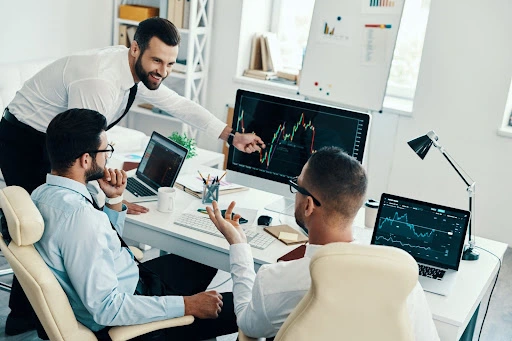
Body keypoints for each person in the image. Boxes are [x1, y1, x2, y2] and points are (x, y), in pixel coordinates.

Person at [0, 17, 264, 335]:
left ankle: (39, 315)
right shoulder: (99, 84)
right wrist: (188, 305)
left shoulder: (132, 70)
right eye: (157, 60)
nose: (163, 71)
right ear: (135, 48)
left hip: (57, 149)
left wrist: (230, 135)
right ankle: (29, 318)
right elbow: (84, 156)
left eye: (169, 63)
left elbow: (178, 105)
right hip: (25, 140)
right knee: (41, 229)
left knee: (54, 229)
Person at [31, 108, 237, 340]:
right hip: (127, 312)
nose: (107, 157)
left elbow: (103, 247)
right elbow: (107, 308)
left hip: (130, 280)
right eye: (105, 150)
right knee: (246, 307)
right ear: (86, 159)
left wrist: (115, 200)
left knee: (201, 258)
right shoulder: (80, 217)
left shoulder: (41, 195)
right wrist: (188, 305)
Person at [206, 146, 440, 340]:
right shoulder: (403, 282)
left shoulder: (277, 280)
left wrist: (239, 246)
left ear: (308, 206)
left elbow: (248, 325)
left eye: (296, 186)